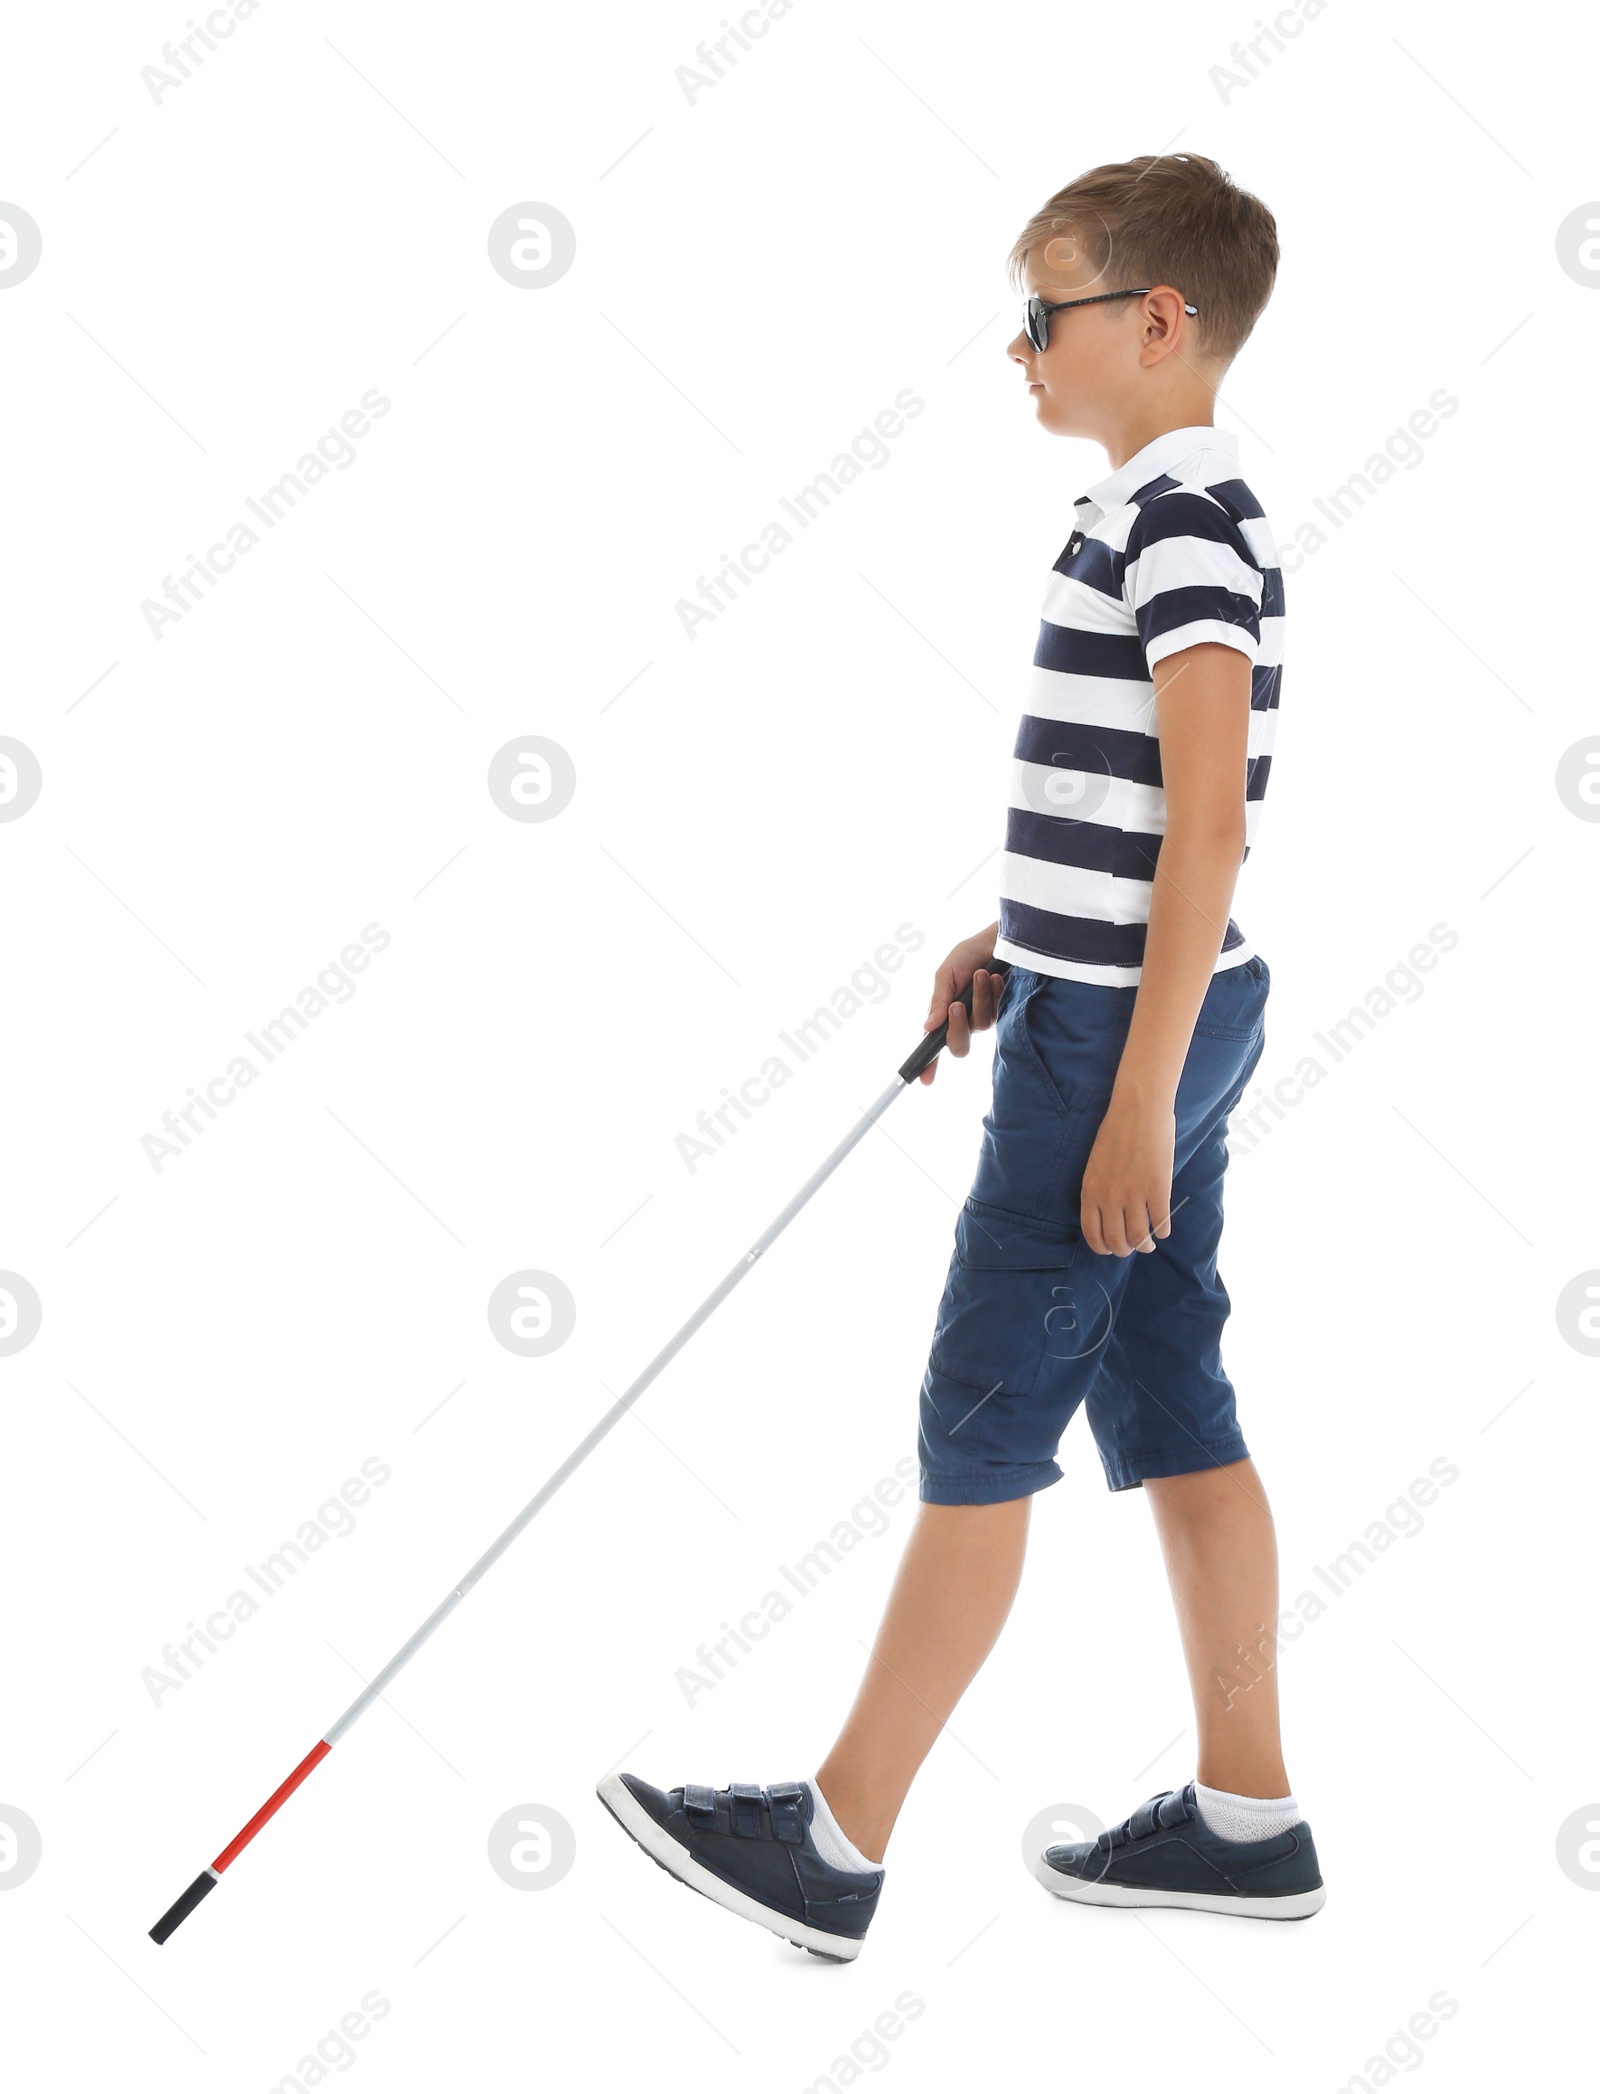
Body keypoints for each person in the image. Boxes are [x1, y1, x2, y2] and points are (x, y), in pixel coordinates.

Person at [598, 152, 1323, 1960]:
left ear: (1157, 321)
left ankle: (830, 1846)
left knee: (984, 1411)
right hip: (1148, 998)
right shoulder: (1170, 506)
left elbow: (1215, 819)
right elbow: (1142, 811)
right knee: (1174, 1400)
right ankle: (1249, 1813)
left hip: (1125, 1046)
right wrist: (1024, 930)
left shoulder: (1178, 522)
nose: (1019, 349)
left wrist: (1132, 1082)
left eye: (1044, 312)